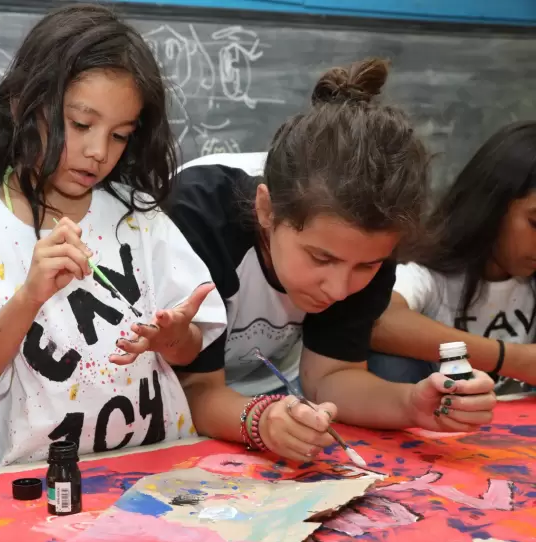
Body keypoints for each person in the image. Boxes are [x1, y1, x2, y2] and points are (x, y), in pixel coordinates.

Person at [0, 4, 227, 470]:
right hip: (29, 484)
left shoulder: (140, 218)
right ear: (22, 107)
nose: (97, 152)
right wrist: (29, 296)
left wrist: (173, 337)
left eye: (120, 135)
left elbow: (192, 345)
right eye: (81, 124)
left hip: (155, 468)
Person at [166, 58, 497, 463]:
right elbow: (195, 388)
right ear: (267, 210)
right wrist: (261, 420)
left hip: (269, 405)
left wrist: (413, 404)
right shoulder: (197, 216)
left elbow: (332, 377)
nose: (340, 288)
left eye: (367, 267)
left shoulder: (372, 231)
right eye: (321, 257)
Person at [370, 121, 536, 392]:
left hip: (520, 429)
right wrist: (514, 360)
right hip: (435, 425)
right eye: (535, 223)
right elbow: (376, 319)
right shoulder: (428, 273)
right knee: (391, 361)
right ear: (491, 205)